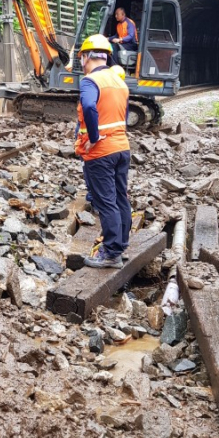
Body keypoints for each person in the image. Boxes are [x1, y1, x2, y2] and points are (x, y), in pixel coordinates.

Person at [74, 34, 132, 268]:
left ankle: (111, 254)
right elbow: (123, 117)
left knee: (106, 202)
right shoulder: (119, 81)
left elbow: (88, 106)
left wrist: (94, 137)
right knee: (120, 198)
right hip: (121, 148)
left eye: (82, 58)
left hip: (101, 152)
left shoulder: (90, 81)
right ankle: (121, 245)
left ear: (87, 57)